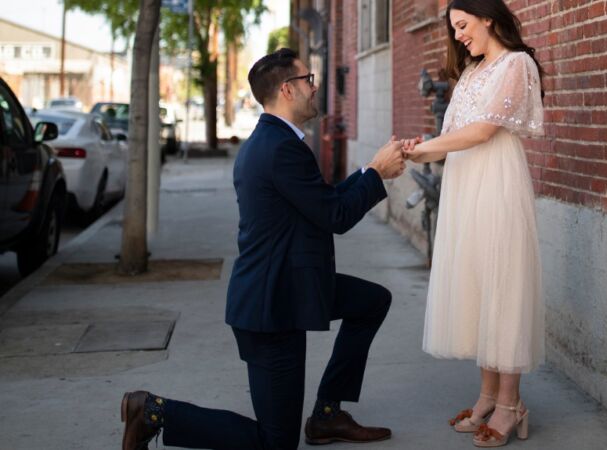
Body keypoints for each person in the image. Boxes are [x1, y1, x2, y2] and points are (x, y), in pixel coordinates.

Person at [120, 48, 406, 450]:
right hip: (272, 308)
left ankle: (327, 414)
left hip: (295, 285)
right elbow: (336, 216)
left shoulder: (275, 141)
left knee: (371, 302)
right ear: (288, 89)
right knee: (276, 443)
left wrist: (368, 170)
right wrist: (377, 174)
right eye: (309, 80)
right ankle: (153, 412)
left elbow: (321, 202)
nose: (315, 87)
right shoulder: (280, 149)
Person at [402, 0, 546, 447]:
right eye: (455, 29)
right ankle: (486, 396)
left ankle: (510, 403)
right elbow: (455, 134)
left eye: (463, 25)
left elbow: (483, 131)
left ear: (488, 17)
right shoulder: (470, 70)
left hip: (496, 181)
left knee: (503, 287)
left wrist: (426, 149)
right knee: (478, 286)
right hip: (465, 184)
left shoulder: (515, 64)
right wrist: (421, 150)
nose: (459, 35)